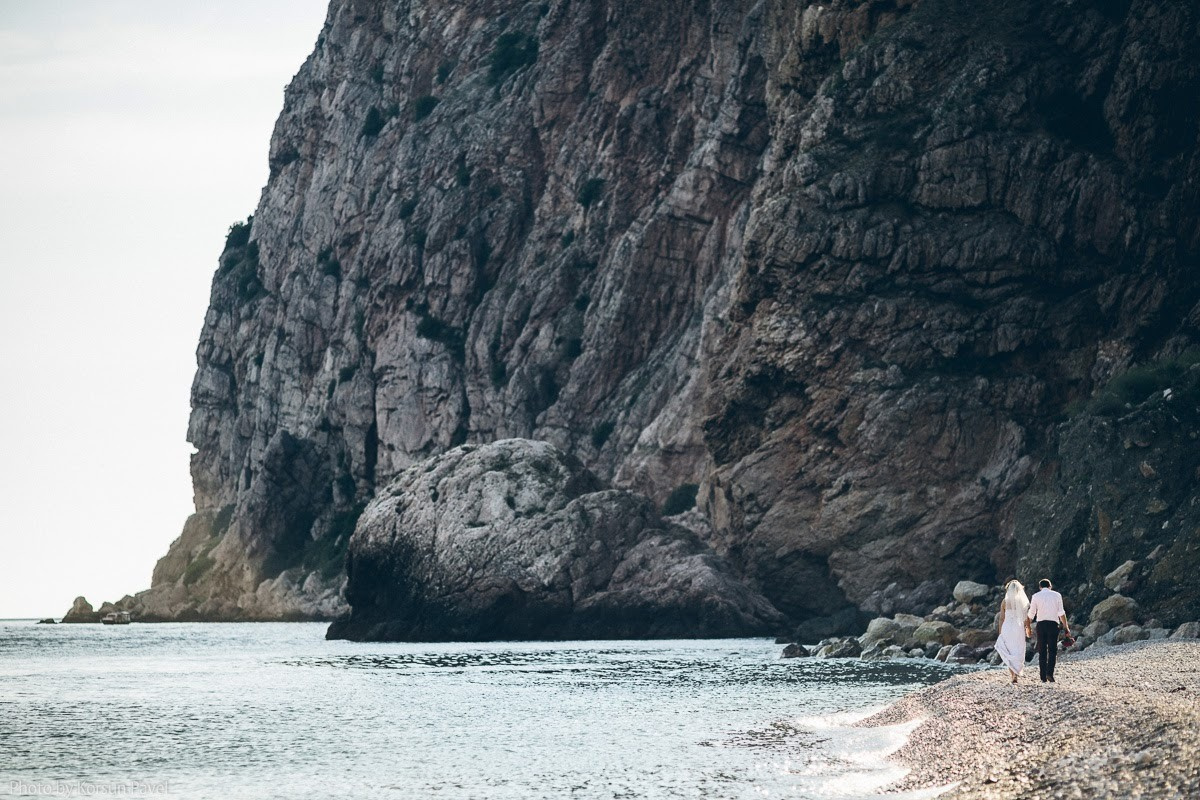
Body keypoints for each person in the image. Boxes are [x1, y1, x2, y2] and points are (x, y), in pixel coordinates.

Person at [1026, 578, 1071, 683]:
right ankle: (1049, 673)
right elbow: (1061, 613)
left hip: (1041, 625)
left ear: (1040, 587)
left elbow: (1030, 615)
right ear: (1050, 586)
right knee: (1052, 650)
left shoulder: (1035, 596)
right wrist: (1066, 627)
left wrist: (1027, 628)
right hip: (1053, 625)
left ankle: (1042, 677)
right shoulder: (1057, 595)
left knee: (1042, 651)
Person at [994, 579, 1030, 684]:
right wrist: (1027, 628)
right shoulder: (1022, 601)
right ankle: (1016, 673)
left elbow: (1001, 618)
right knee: (1018, 650)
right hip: (1018, 628)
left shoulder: (1005, 602)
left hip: (1007, 628)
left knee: (1008, 650)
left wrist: (1000, 632)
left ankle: (1013, 675)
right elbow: (1025, 618)